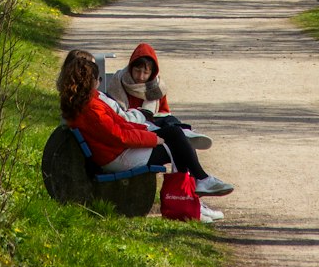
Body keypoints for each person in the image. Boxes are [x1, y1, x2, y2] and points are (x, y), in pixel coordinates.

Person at [57, 49, 224, 222]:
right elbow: (118, 135)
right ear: (88, 81)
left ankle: (196, 191)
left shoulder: (86, 102)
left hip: (116, 151)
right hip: (117, 156)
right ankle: (191, 202)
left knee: (175, 134)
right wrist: (153, 138)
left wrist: (145, 129)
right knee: (178, 146)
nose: (100, 82)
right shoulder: (92, 108)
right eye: (97, 79)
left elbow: (120, 124)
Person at [104, 43, 233, 199]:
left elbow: (163, 111)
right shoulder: (118, 83)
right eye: (137, 70)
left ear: (152, 73)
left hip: (149, 127)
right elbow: (118, 118)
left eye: (146, 72)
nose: (140, 76)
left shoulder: (156, 87)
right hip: (134, 131)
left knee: (176, 133)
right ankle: (193, 191)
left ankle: (193, 192)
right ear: (130, 67)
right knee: (177, 138)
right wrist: (141, 116)